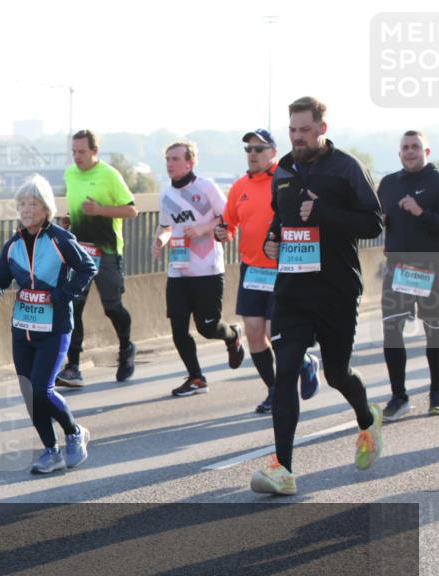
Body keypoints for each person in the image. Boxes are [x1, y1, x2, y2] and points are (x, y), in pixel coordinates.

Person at [251, 96, 384, 496]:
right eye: (292, 130)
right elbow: (281, 215)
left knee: (336, 373)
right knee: (286, 369)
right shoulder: (285, 171)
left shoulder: (346, 168)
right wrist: (274, 239)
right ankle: (283, 470)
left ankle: (367, 416)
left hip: (336, 288)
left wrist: (324, 213)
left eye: (304, 130)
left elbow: (374, 223)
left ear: (322, 129)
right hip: (292, 288)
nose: (297, 137)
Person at [0, 174, 97, 473]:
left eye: (32, 203)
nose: (26, 209)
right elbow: (1, 277)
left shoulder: (60, 239)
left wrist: (62, 296)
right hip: (23, 328)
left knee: (42, 389)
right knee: (29, 393)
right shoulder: (13, 244)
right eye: (22, 203)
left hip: (55, 328)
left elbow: (88, 268)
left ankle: (74, 432)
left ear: (46, 207)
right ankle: (51, 451)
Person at [217, 129, 321, 413]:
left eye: (259, 149)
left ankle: (304, 363)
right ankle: (275, 390)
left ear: (273, 152)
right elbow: (230, 223)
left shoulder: (285, 179)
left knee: (278, 333)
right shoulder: (239, 186)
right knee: (253, 332)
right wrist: (222, 231)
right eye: (248, 149)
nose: (252, 154)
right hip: (252, 269)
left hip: (284, 268)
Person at [152, 141, 245, 397]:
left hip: (208, 269)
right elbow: (165, 226)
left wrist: (203, 229)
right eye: (167, 159)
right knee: (178, 328)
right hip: (179, 270)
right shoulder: (165, 194)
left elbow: (228, 217)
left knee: (207, 327)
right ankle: (196, 377)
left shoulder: (206, 188)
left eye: (175, 159)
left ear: (189, 162)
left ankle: (232, 335)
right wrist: (160, 240)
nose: (170, 164)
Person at [56, 129, 139, 387]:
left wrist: (100, 210)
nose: (77, 157)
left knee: (112, 307)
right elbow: (76, 206)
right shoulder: (70, 174)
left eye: (82, 152)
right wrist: (68, 219)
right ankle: (74, 366)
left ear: (94, 151)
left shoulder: (110, 175)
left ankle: (126, 348)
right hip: (80, 252)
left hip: (107, 251)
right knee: (74, 307)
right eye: (74, 152)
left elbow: (132, 210)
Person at [378, 130, 439, 420]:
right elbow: (376, 222)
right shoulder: (388, 184)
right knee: (391, 332)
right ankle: (398, 396)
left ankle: (437, 394)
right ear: (399, 153)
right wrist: (380, 222)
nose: (410, 151)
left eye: (416, 147)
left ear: (427, 152)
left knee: (434, 334)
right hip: (396, 268)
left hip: (431, 267)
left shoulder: (436, 181)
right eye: (405, 147)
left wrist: (420, 212)